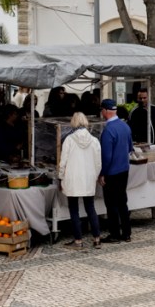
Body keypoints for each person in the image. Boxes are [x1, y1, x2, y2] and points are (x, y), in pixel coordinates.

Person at [58, 112, 102, 249]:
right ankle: (97, 239)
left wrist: (60, 177)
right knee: (90, 208)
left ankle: (78, 241)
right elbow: (98, 163)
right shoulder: (94, 140)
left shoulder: (69, 140)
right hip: (88, 178)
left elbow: (63, 162)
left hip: (73, 178)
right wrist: (94, 176)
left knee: (74, 209)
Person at [99, 98, 134, 243]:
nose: (101, 113)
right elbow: (130, 148)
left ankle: (114, 234)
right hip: (124, 170)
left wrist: (103, 173)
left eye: (101, 110)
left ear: (106, 111)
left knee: (111, 204)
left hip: (112, 172)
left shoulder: (108, 130)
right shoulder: (125, 126)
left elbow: (106, 156)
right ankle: (126, 233)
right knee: (122, 202)